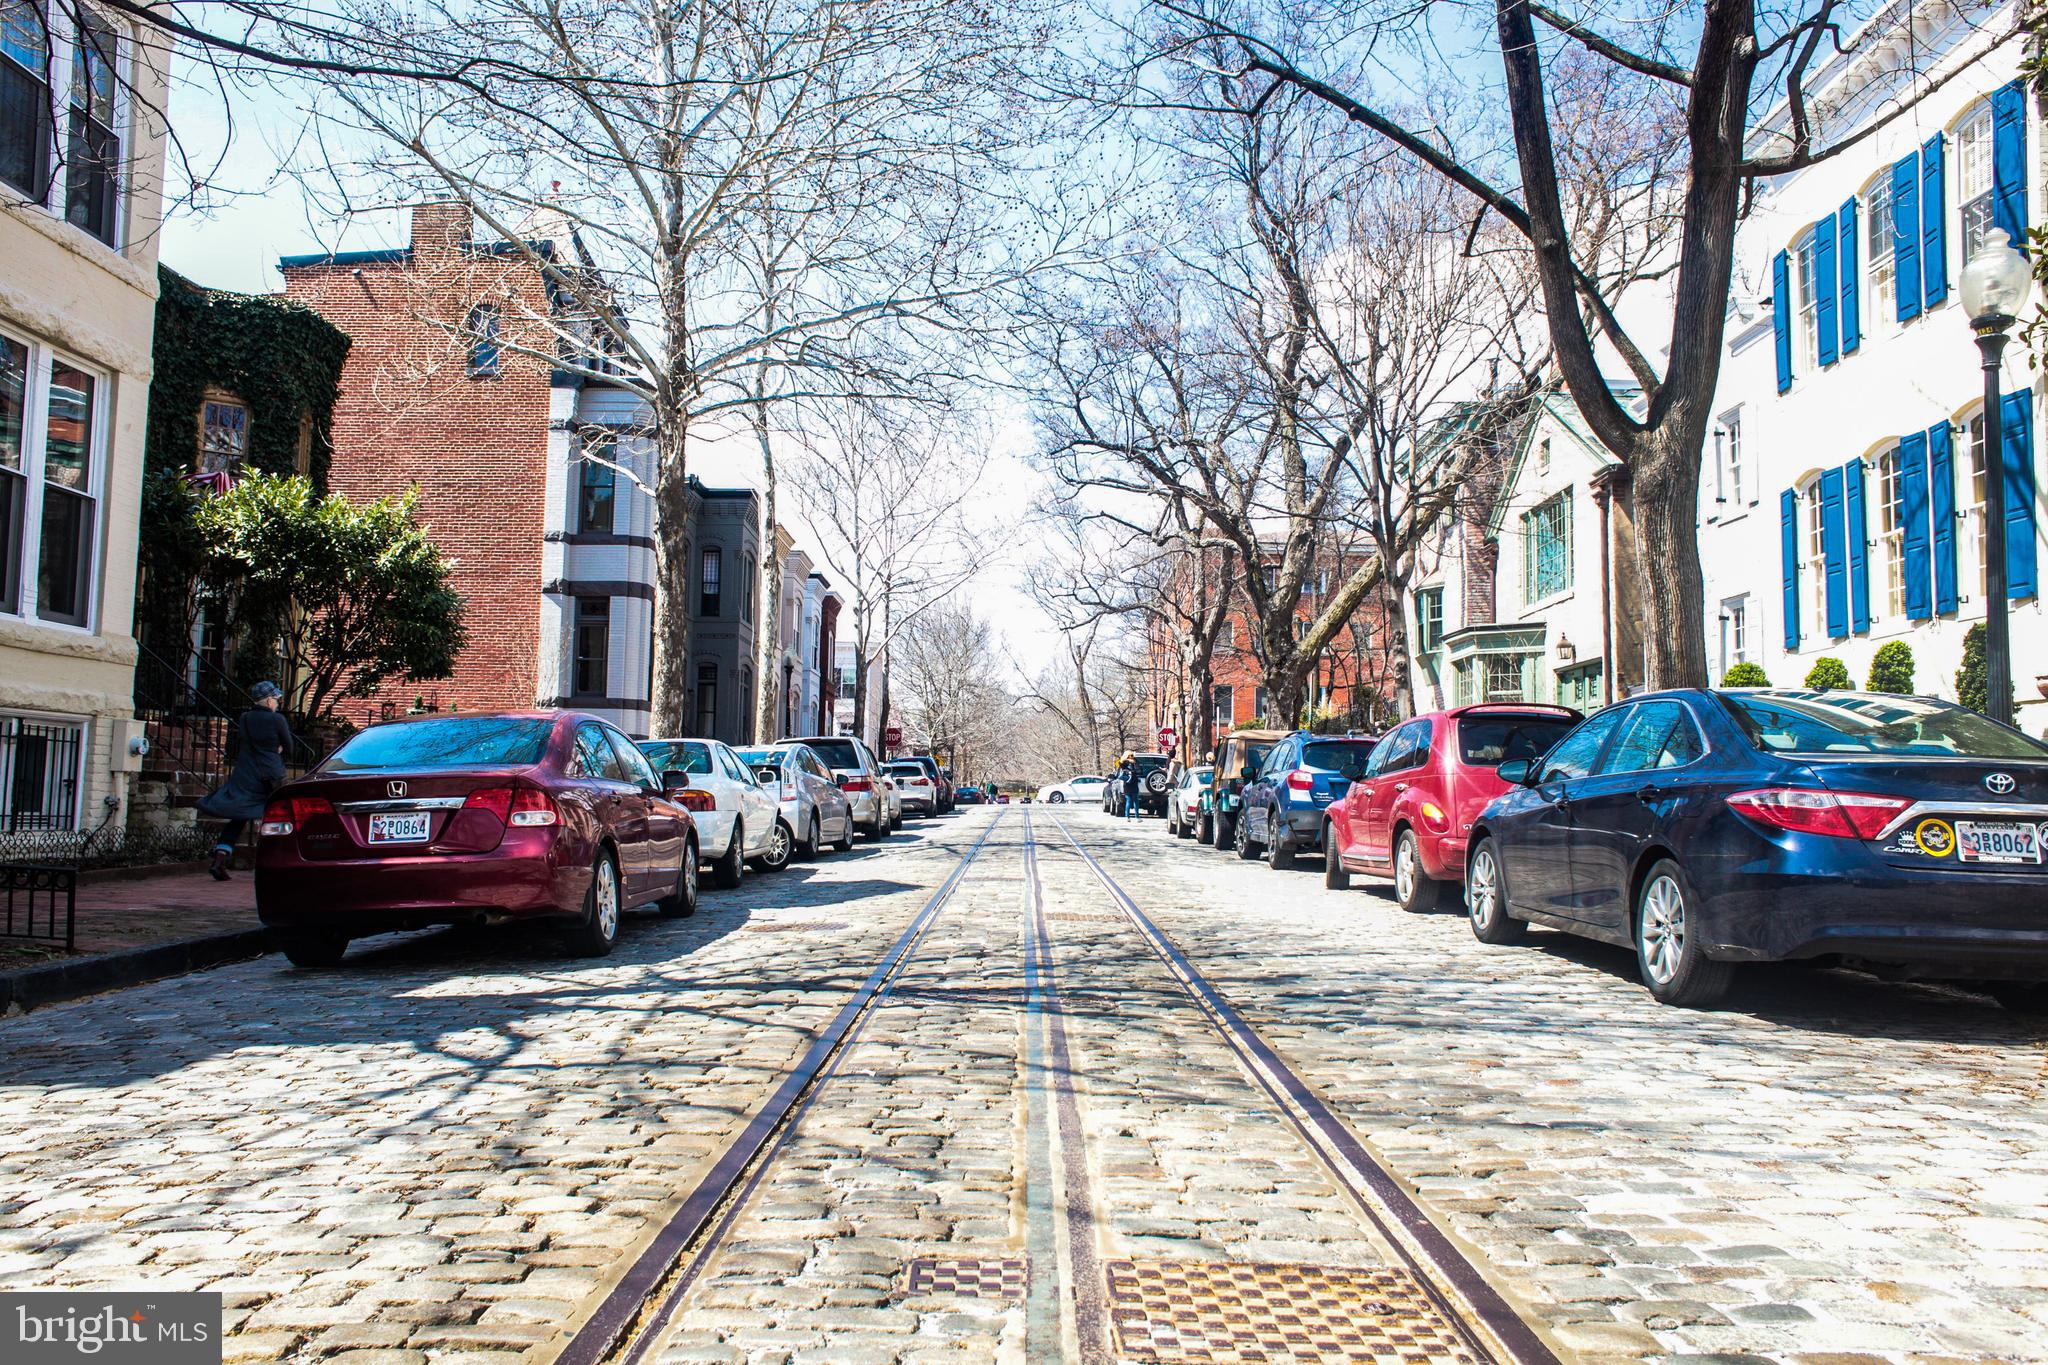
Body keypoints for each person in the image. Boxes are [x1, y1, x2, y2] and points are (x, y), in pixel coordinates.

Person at [199, 682, 294, 880]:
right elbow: (289, 747)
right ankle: (283, 860)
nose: (277, 703)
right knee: (282, 814)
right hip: (271, 773)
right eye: (276, 700)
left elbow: (245, 741)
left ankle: (220, 856)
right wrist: (278, 750)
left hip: (247, 772)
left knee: (240, 815)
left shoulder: (245, 718)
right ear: (269, 700)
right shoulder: (277, 720)